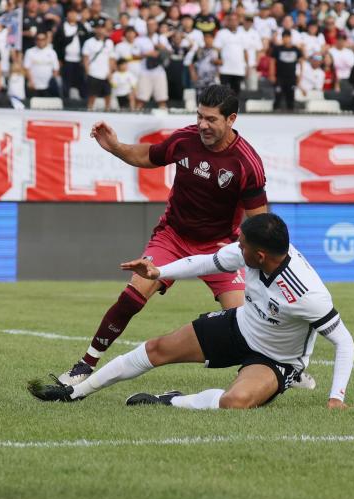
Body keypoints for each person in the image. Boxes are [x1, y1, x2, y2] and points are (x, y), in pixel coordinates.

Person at [53, 84, 308, 391]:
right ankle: (85, 364)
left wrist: (262, 264)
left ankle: (285, 365)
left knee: (243, 319)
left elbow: (260, 224)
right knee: (133, 295)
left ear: (231, 119)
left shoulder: (246, 163)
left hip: (219, 248)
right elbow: (148, 156)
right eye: (199, 116)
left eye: (211, 119)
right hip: (173, 237)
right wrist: (117, 147)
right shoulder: (185, 139)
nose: (202, 125)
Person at [29, 214, 354, 411]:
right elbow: (204, 261)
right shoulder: (252, 252)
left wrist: (336, 397)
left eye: (241, 246)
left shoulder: (307, 294)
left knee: (234, 403)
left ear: (260, 254)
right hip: (239, 326)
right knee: (157, 348)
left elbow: (344, 342)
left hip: (276, 359)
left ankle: (169, 401)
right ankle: (76, 392)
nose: (236, 249)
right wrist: (159, 273)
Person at [82, 22, 115, 110]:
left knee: (107, 95)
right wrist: (87, 71)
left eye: (102, 28)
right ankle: (90, 110)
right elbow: (85, 58)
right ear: (95, 29)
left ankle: (107, 111)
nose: (100, 30)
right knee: (92, 95)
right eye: (98, 28)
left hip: (105, 73)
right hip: (93, 73)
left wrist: (110, 72)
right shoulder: (88, 42)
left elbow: (111, 59)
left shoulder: (109, 42)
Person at [214, 13, 247, 95]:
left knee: (236, 94)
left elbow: (245, 51)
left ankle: (235, 108)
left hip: (239, 69)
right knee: (223, 93)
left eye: (235, 20)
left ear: (238, 21)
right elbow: (216, 49)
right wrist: (217, 62)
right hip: (225, 69)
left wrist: (247, 67)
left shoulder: (243, 33)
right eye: (230, 20)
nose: (232, 22)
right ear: (226, 22)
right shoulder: (221, 33)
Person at [270, 29, 301, 111]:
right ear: (282, 38)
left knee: (290, 98)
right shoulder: (277, 49)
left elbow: (301, 63)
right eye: (284, 37)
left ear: (291, 38)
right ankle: (275, 113)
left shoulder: (296, 50)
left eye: (288, 37)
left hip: (292, 78)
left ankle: (291, 115)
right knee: (278, 96)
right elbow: (272, 62)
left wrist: (300, 76)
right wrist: (272, 74)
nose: (286, 39)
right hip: (280, 77)